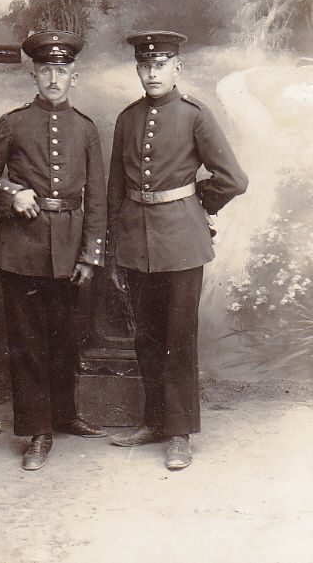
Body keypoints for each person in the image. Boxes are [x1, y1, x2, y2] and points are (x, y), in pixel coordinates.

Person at [107, 30, 248, 470]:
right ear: (137, 69)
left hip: (182, 244)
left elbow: (233, 179)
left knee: (177, 340)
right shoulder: (127, 119)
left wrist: (196, 202)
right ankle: (154, 422)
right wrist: (114, 246)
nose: (152, 72)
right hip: (135, 241)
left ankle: (180, 433)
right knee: (146, 336)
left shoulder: (194, 116)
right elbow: (116, 187)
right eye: (145, 66)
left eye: (160, 65)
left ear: (176, 68)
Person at [0, 30, 107, 471]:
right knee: (28, 344)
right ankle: (38, 431)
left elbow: (97, 199)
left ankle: (65, 415)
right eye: (45, 69)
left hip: (70, 249)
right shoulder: (13, 123)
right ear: (34, 73)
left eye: (61, 71)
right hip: (22, 250)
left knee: (66, 339)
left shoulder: (85, 128)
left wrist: (90, 255)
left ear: (73, 75)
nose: (53, 78)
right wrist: (11, 194)